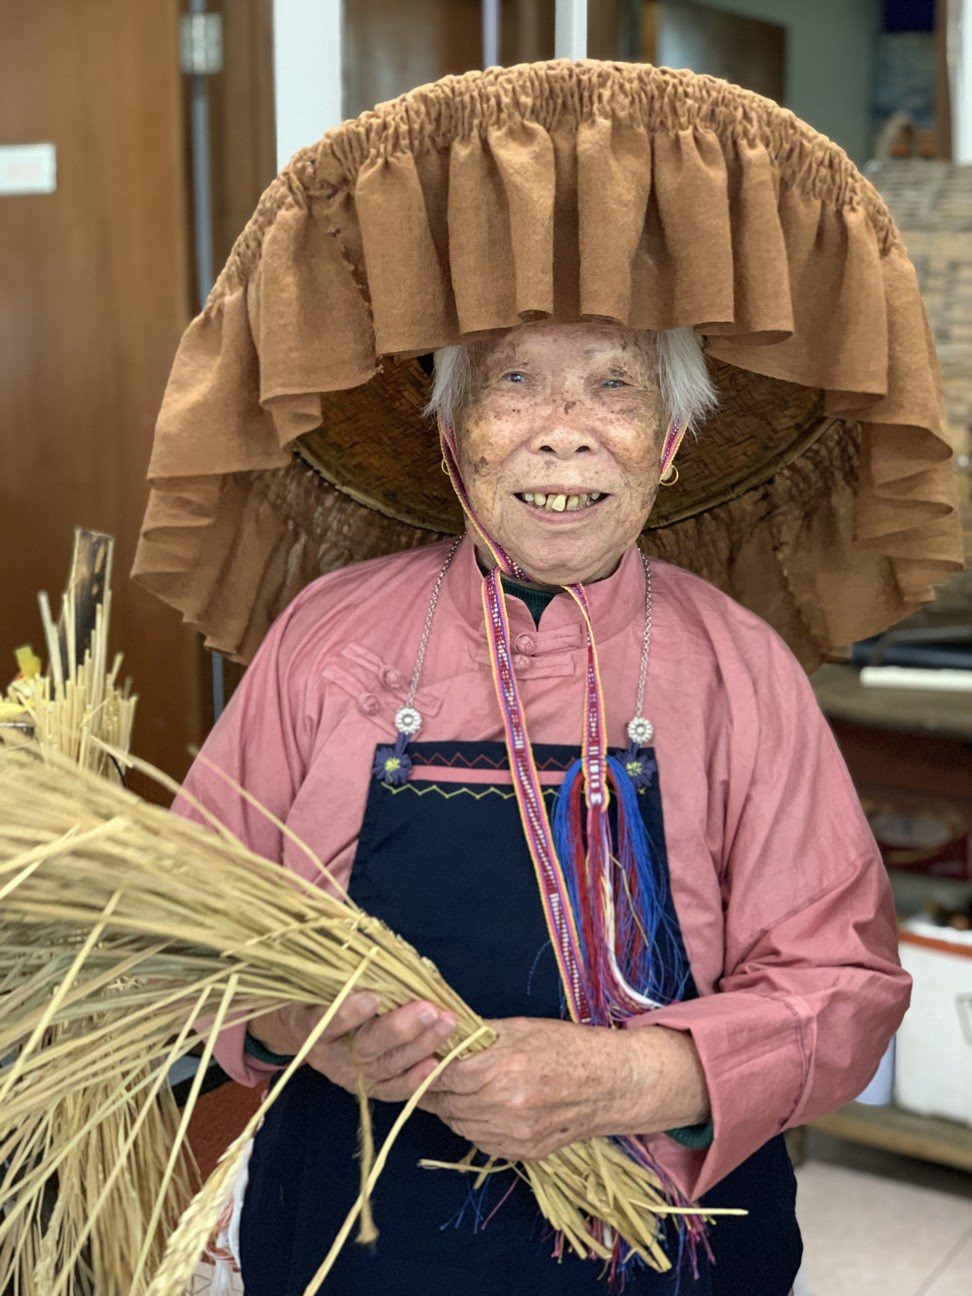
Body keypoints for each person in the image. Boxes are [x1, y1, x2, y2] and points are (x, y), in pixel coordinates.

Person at [136, 61, 961, 1296]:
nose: (562, 429)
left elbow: (844, 992)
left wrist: (634, 1078)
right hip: (357, 1244)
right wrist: (291, 1024)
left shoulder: (733, 668)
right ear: (455, 434)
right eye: (515, 380)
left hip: (661, 1249)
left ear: (669, 445)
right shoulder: (330, 640)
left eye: (615, 385)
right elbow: (170, 939)